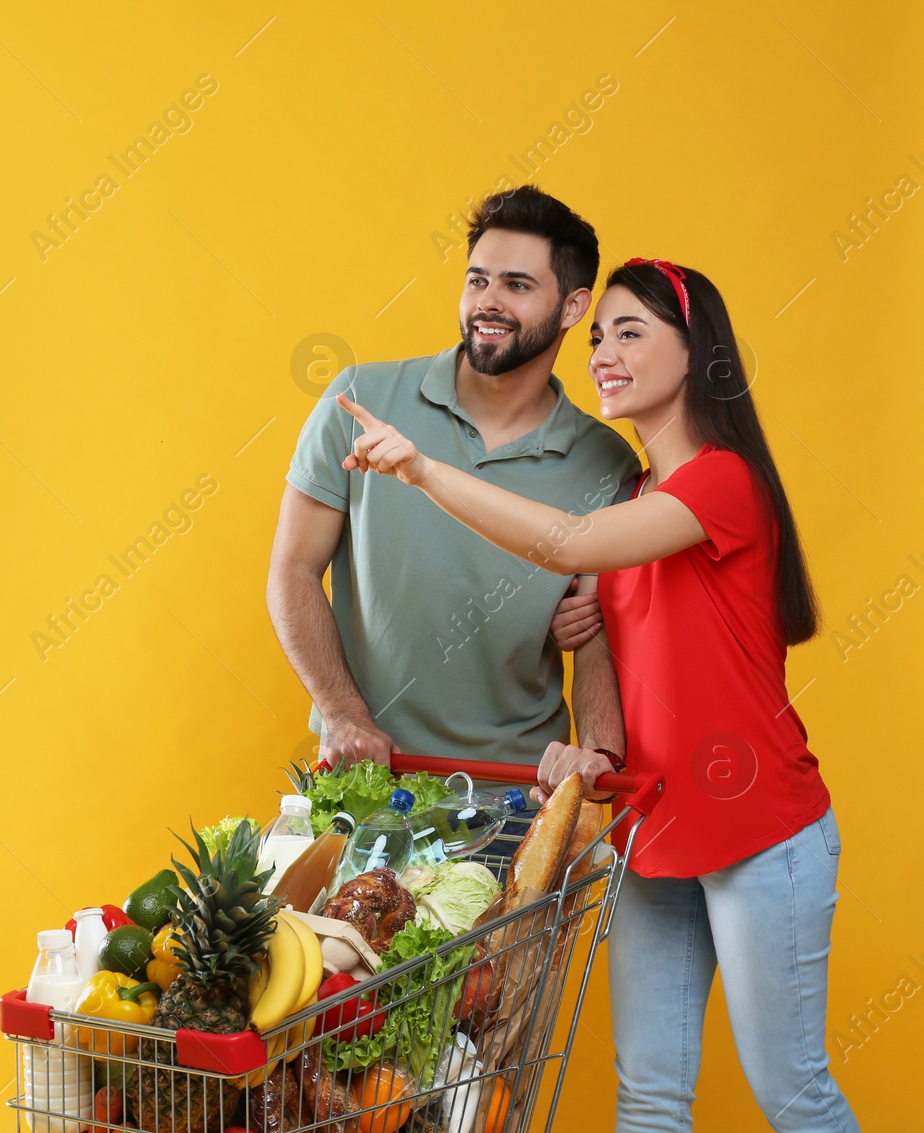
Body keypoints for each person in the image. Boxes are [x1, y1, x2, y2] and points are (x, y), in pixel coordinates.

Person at [334, 257, 857, 1132]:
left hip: (762, 831)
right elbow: (633, 635)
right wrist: (596, 712)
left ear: (697, 355)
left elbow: (569, 540)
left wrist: (422, 471)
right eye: (599, 334)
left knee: (793, 1092)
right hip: (654, 829)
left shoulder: (721, 482)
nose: (603, 352)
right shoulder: (648, 495)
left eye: (632, 332)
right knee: (648, 1096)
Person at [269, 185, 640, 778]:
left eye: (517, 285)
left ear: (572, 308)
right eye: (477, 280)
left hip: (520, 788)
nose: (487, 302)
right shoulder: (362, 399)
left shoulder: (607, 463)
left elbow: (596, 635)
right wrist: (342, 713)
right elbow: (291, 570)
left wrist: (598, 757)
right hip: (367, 771)